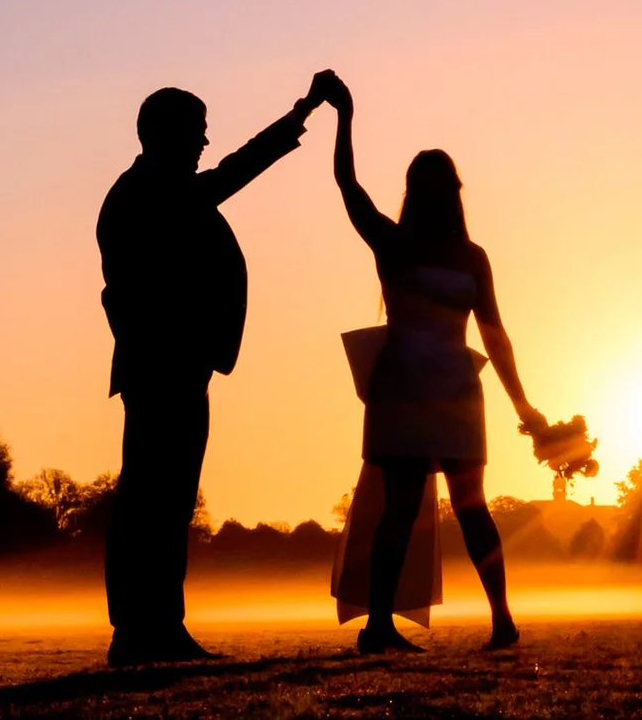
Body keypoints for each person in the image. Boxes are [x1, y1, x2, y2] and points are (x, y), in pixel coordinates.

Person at [96, 73, 336, 665]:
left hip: (174, 364)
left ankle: (155, 627)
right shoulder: (149, 194)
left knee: (164, 499)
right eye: (198, 134)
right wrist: (300, 112)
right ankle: (142, 629)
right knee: (154, 499)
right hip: (164, 367)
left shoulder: (151, 190)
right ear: (169, 136)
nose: (205, 144)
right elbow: (233, 172)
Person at [324, 72, 545, 652]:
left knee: (427, 510)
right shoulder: (420, 248)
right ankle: (430, 624)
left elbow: (496, 335)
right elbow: (348, 185)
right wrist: (344, 116)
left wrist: (525, 406)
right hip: (421, 391)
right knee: (441, 509)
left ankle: (481, 622)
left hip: (433, 392)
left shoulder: (444, 252)